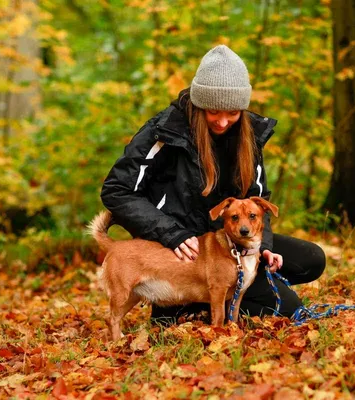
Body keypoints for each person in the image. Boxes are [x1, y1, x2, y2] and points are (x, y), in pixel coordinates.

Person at [100, 45, 325, 323]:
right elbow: (116, 190)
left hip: (233, 242)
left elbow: (257, 197)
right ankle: (179, 299)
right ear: (198, 104)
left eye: (232, 113)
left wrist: (263, 246)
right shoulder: (165, 131)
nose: (222, 121)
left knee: (311, 260)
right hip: (182, 251)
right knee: (277, 308)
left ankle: (217, 295)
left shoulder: (250, 134)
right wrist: (171, 233)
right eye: (213, 111)